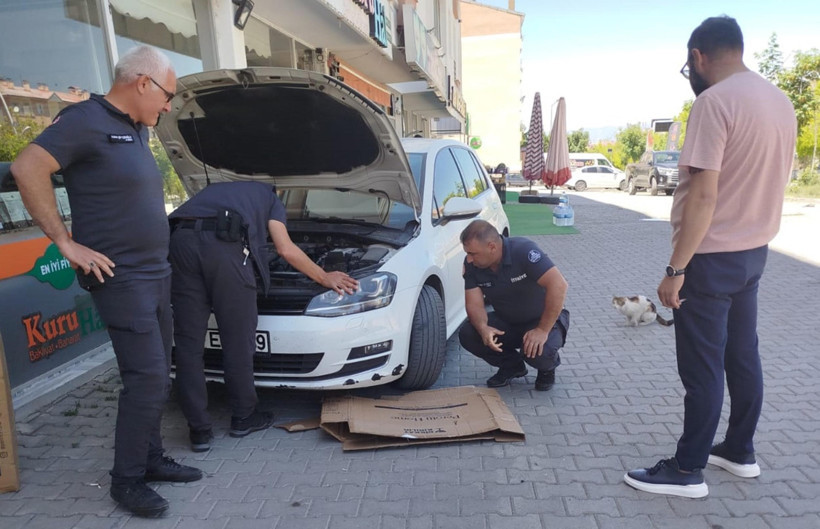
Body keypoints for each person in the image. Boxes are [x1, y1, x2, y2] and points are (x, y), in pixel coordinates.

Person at [10, 46, 202, 517]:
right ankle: (127, 480)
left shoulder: (136, 128)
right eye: (168, 95)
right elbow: (26, 168)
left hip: (155, 273)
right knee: (147, 378)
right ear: (143, 83)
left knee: (159, 374)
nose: (168, 105)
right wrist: (65, 243)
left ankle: (151, 459)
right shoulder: (85, 120)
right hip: (121, 277)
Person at [624, 16, 797, 498]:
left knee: (702, 368)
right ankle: (739, 451)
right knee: (742, 355)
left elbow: (703, 195)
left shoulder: (713, 103)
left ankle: (686, 470)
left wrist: (676, 269)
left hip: (711, 257)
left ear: (697, 57)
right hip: (754, 253)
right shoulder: (779, 101)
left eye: (688, 66)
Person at [168, 181, 358, 452]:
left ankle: (198, 431)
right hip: (223, 248)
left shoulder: (213, 191)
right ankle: (244, 417)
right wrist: (323, 276)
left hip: (180, 243)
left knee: (188, 344)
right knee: (236, 339)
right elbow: (285, 249)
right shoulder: (269, 197)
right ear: (276, 190)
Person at [458, 220, 569, 391]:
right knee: (469, 333)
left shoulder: (523, 251)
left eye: (473, 253)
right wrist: (483, 328)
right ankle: (512, 366)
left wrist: (542, 330)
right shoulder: (472, 265)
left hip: (543, 320)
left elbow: (559, 285)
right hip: (508, 321)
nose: (469, 259)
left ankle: (547, 369)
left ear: (492, 247)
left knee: (539, 352)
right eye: (467, 253)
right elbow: (474, 304)